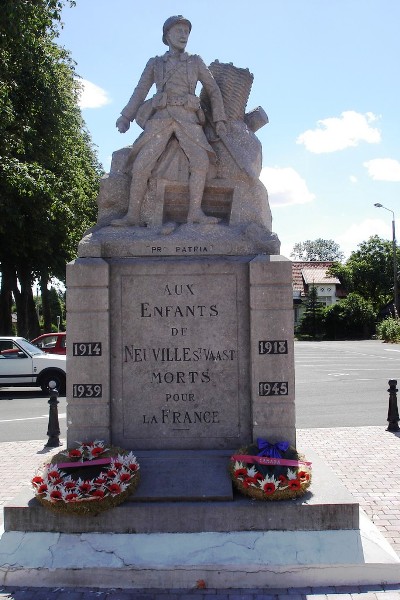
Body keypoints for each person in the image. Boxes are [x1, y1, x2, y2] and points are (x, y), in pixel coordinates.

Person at [112, 15, 227, 226]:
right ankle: (132, 217)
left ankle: (194, 213)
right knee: (140, 164)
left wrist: (220, 120)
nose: (184, 36)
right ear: (167, 35)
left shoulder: (196, 61)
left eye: (187, 32)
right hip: (161, 117)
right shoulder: (155, 63)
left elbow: (213, 89)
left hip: (188, 117)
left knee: (201, 161)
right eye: (179, 31)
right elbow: (140, 91)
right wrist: (126, 116)